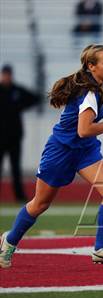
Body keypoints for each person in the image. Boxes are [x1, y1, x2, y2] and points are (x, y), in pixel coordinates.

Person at [0, 44, 103, 268]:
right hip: (61, 151)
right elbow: (83, 129)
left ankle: (101, 249)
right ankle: (9, 242)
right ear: (91, 66)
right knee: (40, 204)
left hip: (85, 150)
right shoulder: (87, 92)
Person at [0, 64, 40, 203]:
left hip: (14, 136)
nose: (6, 77)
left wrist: (20, 106)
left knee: (15, 168)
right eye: (5, 74)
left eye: (8, 74)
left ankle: (19, 196)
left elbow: (35, 98)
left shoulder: (16, 90)